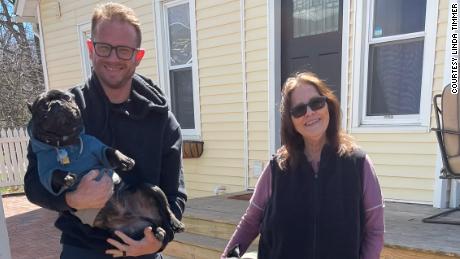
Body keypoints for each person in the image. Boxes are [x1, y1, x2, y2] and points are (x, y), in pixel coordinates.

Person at [24, 3, 186, 258]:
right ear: (91, 49)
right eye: (104, 47)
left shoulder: (162, 120)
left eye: (123, 50)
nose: (113, 58)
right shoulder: (60, 113)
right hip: (82, 249)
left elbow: (175, 194)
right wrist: (71, 200)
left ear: (137, 56)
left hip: (144, 250)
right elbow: (33, 184)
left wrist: (159, 240)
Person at [222, 72, 384, 259]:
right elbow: (250, 222)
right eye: (299, 110)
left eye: (316, 103)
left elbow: (374, 230)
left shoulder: (359, 164)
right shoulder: (277, 168)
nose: (309, 113)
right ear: (290, 121)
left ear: (328, 105)